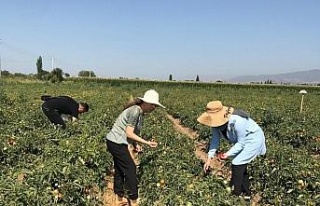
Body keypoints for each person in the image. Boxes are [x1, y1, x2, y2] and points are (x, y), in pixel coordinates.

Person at [106, 89, 165, 206]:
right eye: (153, 105)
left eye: (155, 106)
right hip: (116, 143)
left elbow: (130, 132)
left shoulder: (139, 112)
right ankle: (134, 200)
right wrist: (147, 143)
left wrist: (135, 144)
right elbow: (129, 133)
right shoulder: (135, 112)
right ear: (146, 103)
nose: (154, 108)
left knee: (119, 168)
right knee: (130, 169)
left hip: (114, 141)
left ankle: (119, 197)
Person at [197, 100, 266, 199]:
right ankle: (246, 193)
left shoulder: (237, 121)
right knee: (241, 164)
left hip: (253, 139)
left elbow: (242, 143)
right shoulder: (215, 125)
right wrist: (208, 159)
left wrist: (227, 154)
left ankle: (236, 194)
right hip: (242, 141)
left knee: (237, 162)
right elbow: (215, 141)